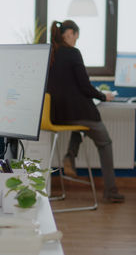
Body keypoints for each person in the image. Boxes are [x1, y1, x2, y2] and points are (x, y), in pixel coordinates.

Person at [47, 20, 124, 203]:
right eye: (76, 37)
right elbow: (85, 87)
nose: (76, 41)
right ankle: (111, 191)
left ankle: (70, 156)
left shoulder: (50, 52)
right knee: (104, 142)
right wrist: (104, 96)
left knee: (81, 128)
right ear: (70, 33)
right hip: (76, 113)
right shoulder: (73, 53)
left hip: (54, 116)